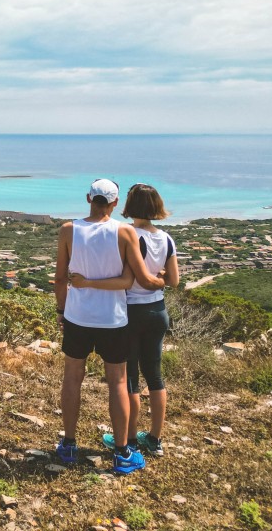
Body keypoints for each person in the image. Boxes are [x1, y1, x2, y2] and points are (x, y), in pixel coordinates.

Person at [53, 178, 165, 474]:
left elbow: (60, 279)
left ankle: (69, 445)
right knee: (117, 382)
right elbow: (133, 281)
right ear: (115, 204)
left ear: (88, 198)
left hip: (78, 316)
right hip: (114, 319)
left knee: (72, 378)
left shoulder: (68, 230)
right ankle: (122, 452)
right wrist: (163, 281)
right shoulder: (125, 232)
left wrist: (62, 311)